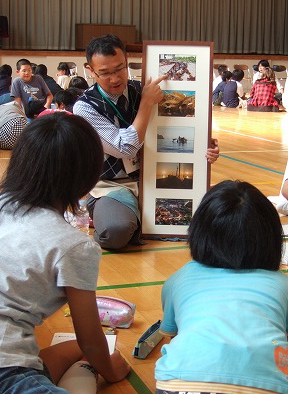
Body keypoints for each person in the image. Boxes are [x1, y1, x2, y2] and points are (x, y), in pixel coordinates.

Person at [0, 112, 130, 393]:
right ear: (86, 177)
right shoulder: (74, 245)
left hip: (10, 355)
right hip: (6, 370)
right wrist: (110, 370)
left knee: (63, 353)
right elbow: (91, 342)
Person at [73, 34, 220, 250]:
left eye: (119, 68)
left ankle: (141, 220)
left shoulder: (144, 88)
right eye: (104, 73)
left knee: (214, 221)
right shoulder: (84, 107)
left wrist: (204, 146)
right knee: (115, 232)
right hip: (113, 186)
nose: (115, 78)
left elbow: (181, 125)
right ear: (91, 70)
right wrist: (146, 103)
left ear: (127, 60)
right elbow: (126, 147)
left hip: (155, 181)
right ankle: (121, 215)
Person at [155, 179, 288, 394]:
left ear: (199, 233)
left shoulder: (178, 279)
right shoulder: (283, 284)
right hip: (267, 385)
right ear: (270, 238)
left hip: (180, 383)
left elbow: (173, 335)